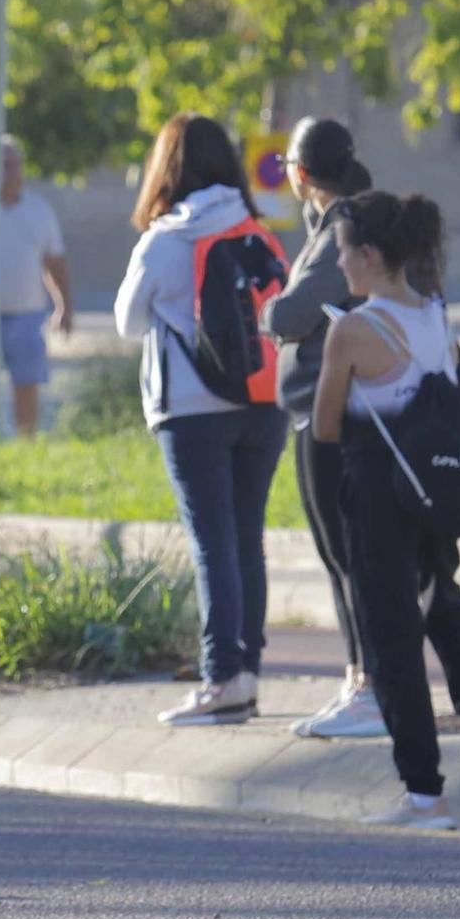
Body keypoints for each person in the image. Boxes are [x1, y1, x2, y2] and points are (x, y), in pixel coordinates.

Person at [313, 191, 460, 830]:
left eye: (343, 253)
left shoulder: (352, 329)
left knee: (390, 637)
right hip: (430, 483)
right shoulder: (433, 314)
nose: (339, 265)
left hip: (376, 488)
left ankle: (424, 793)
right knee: (442, 600)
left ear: (369, 255)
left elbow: (324, 423)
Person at [115, 113, 289, 726]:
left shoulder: (165, 241)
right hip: (265, 405)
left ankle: (222, 679)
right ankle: (250, 673)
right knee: (247, 541)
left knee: (211, 542)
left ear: (167, 169)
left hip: (191, 411)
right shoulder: (256, 232)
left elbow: (127, 322)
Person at [261, 118, 384, 737]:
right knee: (339, 555)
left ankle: (373, 684)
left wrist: (267, 310)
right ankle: (358, 678)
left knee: (348, 553)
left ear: (301, 173)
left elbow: (293, 310)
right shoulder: (333, 224)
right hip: (317, 408)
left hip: (334, 411)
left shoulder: (343, 227)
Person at [0, 135, 72, 437]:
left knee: (27, 383)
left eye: (15, 165)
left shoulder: (39, 211)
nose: (11, 172)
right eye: (4, 165)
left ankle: (26, 444)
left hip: (26, 314)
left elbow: (54, 262)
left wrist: (64, 306)